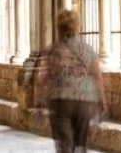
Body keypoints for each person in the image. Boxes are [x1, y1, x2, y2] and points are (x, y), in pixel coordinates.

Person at [37, 9, 107, 153]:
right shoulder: (87, 49)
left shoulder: (53, 50)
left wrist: (39, 102)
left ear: (58, 27)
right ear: (77, 26)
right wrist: (102, 99)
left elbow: (43, 78)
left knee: (64, 144)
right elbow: (97, 76)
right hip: (85, 101)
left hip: (60, 100)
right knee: (80, 144)